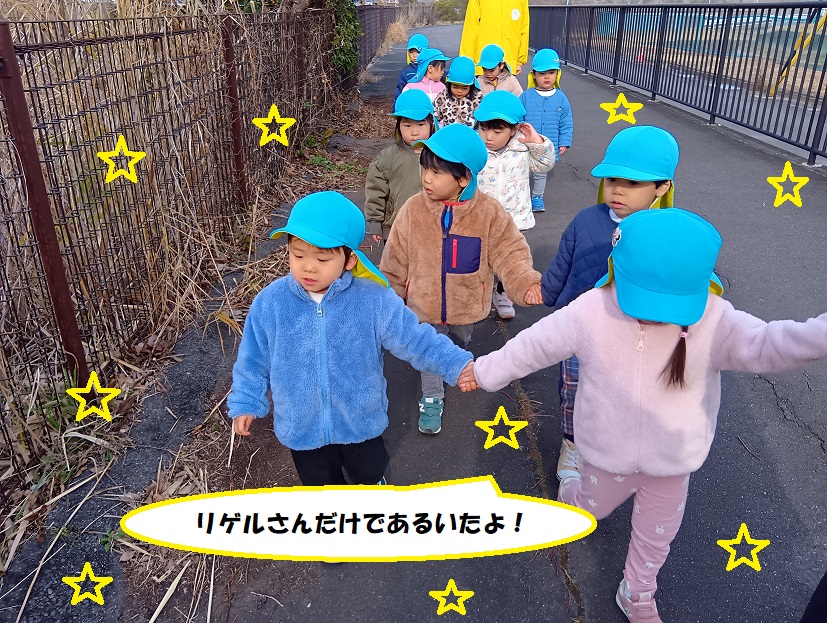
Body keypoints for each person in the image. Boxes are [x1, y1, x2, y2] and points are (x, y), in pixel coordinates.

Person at [461, 208, 827, 622]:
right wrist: (486, 371)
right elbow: (535, 345)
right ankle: (570, 493)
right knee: (589, 510)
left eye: (669, 304)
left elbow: (771, 343)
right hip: (606, 454)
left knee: (656, 537)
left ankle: (636, 591)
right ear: (615, 269)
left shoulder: (715, 319)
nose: (652, 314)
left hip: (672, 462)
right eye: (640, 297)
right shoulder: (593, 310)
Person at [228, 192, 474, 487]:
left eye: (322, 258)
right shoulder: (271, 303)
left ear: (349, 260)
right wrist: (246, 400)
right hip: (302, 425)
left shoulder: (373, 300)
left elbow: (415, 339)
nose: (308, 267)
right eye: (298, 255)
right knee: (319, 483)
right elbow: (253, 358)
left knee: (369, 471)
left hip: (359, 421)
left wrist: (456, 364)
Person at [379, 124, 543, 436]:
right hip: (423, 304)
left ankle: (452, 362)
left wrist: (524, 282)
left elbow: (510, 252)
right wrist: (388, 295)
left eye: (436, 172)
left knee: (458, 342)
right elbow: (395, 257)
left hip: (466, 304)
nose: (426, 178)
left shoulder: (488, 213)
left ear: (464, 178)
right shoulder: (413, 210)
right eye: (425, 168)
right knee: (431, 350)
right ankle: (432, 396)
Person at [541, 126, 678, 482]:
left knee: (622, 397)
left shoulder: (668, 234)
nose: (617, 189)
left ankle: (613, 446)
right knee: (573, 391)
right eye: (613, 179)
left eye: (633, 183)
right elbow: (563, 263)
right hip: (580, 332)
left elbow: (682, 284)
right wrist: (546, 293)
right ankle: (572, 443)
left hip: (632, 338)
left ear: (662, 187)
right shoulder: (586, 220)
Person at [474, 91, 554, 319]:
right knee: (481, 259)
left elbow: (544, 165)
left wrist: (537, 143)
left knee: (510, 259)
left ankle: (503, 293)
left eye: (497, 131)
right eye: (483, 129)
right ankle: (480, 293)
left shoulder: (523, 149)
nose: (488, 136)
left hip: (514, 220)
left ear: (514, 129)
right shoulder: (476, 149)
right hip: (482, 219)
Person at [365, 90, 436, 247]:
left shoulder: (441, 156)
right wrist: (375, 223)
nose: (415, 132)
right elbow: (376, 191)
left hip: (433, 228)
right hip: (396, 228)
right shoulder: (387, 158)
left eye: (421, 124)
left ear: (432, 124)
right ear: (398, 127)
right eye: (407, 125)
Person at [519, 48, 573, 213]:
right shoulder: (526, 96)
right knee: (522, 169)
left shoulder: (561, 98)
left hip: (547, 144)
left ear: (557, 74)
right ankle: (521, 195)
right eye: (542, 73)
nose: (547, 77)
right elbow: (518, 118)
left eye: (551, 72)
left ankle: (537, 197)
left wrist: (564, 142)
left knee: (540, 172)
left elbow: (566, 122)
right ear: (534, 75)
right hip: (526, 142)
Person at [460, 0, 529, 77]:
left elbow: (524, 29)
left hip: (508, 65)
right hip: (484, 65)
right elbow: (470, 28)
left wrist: (520, 61)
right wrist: (466, 61)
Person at [433, 56, 483, 128]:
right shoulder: (443, 96)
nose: (459, 91)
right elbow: (434, 119)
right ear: (449, 84)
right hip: (449, 133)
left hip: (470, 134)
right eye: (455, 87)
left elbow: (483, 122)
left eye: (464, 88)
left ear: (471, 86)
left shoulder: (478, 98)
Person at [395, 33, 429, 101]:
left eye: (418, 52)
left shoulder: (431, 68)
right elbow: (399, 92)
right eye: (411, 52)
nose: (414, 55)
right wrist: (396, 107)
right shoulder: (406, 72)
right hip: (411, 104)